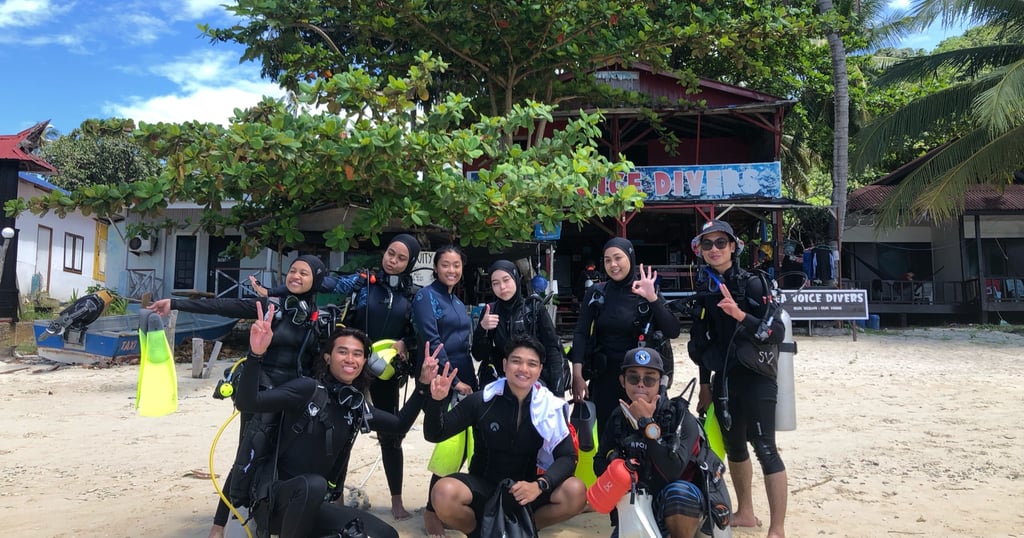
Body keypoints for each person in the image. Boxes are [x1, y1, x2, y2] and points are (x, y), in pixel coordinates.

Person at [148, 255, 328, 538]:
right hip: (261, 389)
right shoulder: (270, 306)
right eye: (292, 270)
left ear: (315, 280)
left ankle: (269, 514)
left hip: (294, 395)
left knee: (285, 455)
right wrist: (175, 303)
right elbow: (223, 306)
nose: (296, 276)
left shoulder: (315, 317)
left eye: (304, 273)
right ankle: (219, 524)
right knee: (249, 452)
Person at [251, 234, 423, 520]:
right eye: (390, 253)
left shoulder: (413, 295)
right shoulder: (363, 281)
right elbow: (322, 282)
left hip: (385, 368)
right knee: (338, 432)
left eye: (401, 258)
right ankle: (335, 495)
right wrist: (272, 291)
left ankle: (396, 499)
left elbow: (419, 330)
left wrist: (406, 342)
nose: (392, 261)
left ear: (410, 263)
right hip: (350, 366)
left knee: (391, 436)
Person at [236, 301, 436, 538]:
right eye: (342, 351)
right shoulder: (306, 389)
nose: (350, 358)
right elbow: (248, 403)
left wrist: (422, 385)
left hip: (314, 504)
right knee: (314, 485)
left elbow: (399, 425)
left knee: (386, 534)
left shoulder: (355, 406)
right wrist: (255, 355)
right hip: (275, 500)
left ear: (364, 363)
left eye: (357, 354)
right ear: (328, 357)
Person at [425, 334, 587, 537]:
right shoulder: (482, 400)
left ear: (539, 370)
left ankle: (523, 529)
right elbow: (435, 433)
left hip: (525, 490)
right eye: (516, 361)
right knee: (443, 493)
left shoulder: (548, 407)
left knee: (576, 491)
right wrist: (435, 401)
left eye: (532, 364)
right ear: (504, 364)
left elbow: (568, 457)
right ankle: (481, 532)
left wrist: (539, 485)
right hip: (484, 487)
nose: (523, 369)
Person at [686, 219, 788, 538]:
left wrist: (740, 315)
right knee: (734, 449)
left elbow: (776, 332)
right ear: (700, 251)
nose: (714, 249)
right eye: (707, 244)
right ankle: (746, 511)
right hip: (725, 380)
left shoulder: (754, 283)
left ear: (733, 247)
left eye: (720, 243)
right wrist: (704, 385)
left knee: (765, 447)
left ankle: (777, 527)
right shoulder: (705, 291)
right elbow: (703, 344)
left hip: (757, 377)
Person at [594, 347, 730, 538]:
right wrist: (617, 464)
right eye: (633, 378)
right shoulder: (617, 417)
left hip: (684, 504)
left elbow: (672, 471)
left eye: (649, 379)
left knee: (678, 494)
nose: (641, 385)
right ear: (622, 381)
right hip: (640, 504)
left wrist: (646, 424)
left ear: (661, 383)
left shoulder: (680, 417)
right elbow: (599, 461)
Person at [570, 237, 681, 429]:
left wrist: (653, 298)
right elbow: (580, 333)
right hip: (605, 378)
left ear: (630, 257)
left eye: (618, 258)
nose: (613, 265)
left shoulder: (646, 290)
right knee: (607, 436)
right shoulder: (597, 293)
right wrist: (577, 376)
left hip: (641, 380)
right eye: (607, 260)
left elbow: (673, 330)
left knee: (645, 435)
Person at [411, 244, 475, 537]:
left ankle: (448, 500)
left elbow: (465, 342)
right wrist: (454, 379)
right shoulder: (426, 297)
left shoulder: (457, 301)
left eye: (457, 265)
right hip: (442, 377)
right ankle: (430, 509)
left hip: (464, 376)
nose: (452, 270)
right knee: (448, 444)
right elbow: (431, 337)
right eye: (446, 265)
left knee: (465, 445)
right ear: (436, 268)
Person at [473, 259, 568, 394]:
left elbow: (553, 350)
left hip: (533, 384)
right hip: (502, 386)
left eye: (506, 280)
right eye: (496, 283)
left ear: (516, 279)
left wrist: (558, 394)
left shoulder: (534, 309)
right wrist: (482, 328)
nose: (502, 287)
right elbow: (478, 355)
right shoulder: (491, 311)